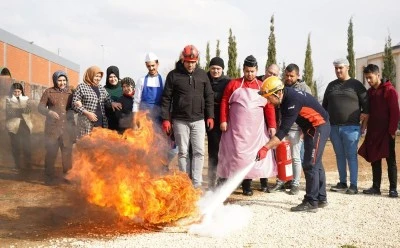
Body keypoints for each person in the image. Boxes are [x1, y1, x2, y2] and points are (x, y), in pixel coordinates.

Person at [258, 76, 330, 212]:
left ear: (278, 93)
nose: (268, 102)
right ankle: (321, 198)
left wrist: (265, 148)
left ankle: (311, 201)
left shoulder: (292, 101)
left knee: (310, 163)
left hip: (319, 126)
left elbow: (283, 131)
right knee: (316, 163)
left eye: (269, 98)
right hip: (311, 128)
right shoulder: (284, 99)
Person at [217, 55, 277, 196]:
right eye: (247, 71)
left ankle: (248, 185)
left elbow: (269, 106)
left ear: (256, 70)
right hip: (237, 130)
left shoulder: (263, 86)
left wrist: (272, 125)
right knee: (238, 156)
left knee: (253, 156)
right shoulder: (234, 84)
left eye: (252, 71)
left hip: (256, 131)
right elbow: (225, 101)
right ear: (243, 70)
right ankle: (233, 183)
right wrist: (223, 120)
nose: (250, 74)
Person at [160, 45, 214, 188]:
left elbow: (208, 96)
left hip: (199, 120)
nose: (191, 64)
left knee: (199, 152)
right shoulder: (173, 75)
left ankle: (196, 184)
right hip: (180, 120)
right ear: (183, 59)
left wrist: (210, 116)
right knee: (183, 152)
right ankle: (185, 183)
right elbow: (166, 98)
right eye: (188, 61)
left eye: (193, 61)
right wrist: (166, 119)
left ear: (197, 61)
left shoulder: (202, 75)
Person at [322, 58, 369, 195]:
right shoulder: (331, 86)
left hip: (351, 128)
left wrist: (363, 126)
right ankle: (342, 182)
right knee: (339, 155)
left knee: (351, 156)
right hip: (334, 128)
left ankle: (353, 185)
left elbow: (366, 108)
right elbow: (324, 107)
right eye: (336, 68)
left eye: (340, 68)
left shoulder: (356, 85)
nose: (338, 70)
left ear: (347, 67)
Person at [358, 64, 399, 198]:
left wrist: (392, 131)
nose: (368, 81)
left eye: (370, 77)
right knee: (375, 159)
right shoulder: (369, 93)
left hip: (387, 132)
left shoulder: (389, 90)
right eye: (366, 78)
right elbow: (367, 111)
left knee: (390, 160)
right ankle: (376, 187)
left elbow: (395, 112)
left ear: (378, 75)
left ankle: (393, 189)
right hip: (373, 131)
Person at [270, 64, 311, 195]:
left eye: (291, 76)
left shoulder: (304, 88)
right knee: (281, 156)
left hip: (296, 129)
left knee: (295, 156)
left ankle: (295, 183)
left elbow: (308, 109)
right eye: (286, 75)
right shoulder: (281, 87)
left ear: (298, 75)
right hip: (282, 128)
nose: (288, 78)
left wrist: (305, 129)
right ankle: (281, 180)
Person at [38, 71, 75, 185]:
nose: (62, 83)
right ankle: (48, 178)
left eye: (64, 80)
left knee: (67, 154)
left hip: (67, 129)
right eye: (59, 80)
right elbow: (40, 107)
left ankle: (68, 177)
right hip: (52, 128)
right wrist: (49, 112)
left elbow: (76, 106)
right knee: (51, 153)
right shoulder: (49, 91)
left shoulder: (71, 92)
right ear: (55, 80)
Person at [72, 66, 122, 138]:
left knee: (99, 146)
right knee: (87, 145)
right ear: (90, 75)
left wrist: (112, 103)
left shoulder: (101, 88)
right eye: (96, 76)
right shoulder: (81, 87)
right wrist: (87, 113)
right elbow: (74, 104)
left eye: (99, 76)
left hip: (101, 123)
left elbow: (107, 99)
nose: (98, 78)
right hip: (86, 123)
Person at [206, 57, 230, 189]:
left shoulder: (227, 82)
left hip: (220, 120)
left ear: (222, 69)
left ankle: (222, 178)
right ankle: (210, 180)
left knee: (220, 150)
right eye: (213, 68)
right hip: (203, 116)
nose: (215, 71)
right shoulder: (204, 79)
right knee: (210, 152)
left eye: (218, 69)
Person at [133, 52, 165, 128]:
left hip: (159, 119)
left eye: (153, 65)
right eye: (148, 66)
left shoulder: (164, 80)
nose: (151, 68)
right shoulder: (141, 80)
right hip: (144, 119)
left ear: (158, 64)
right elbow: (136, 102)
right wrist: (134, 122)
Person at [5, 82, 33, 170]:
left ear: (21, 91)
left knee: (27, 146)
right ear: (12, 91)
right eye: (15, 92)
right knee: (15, 147)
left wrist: (16, 110)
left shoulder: (26, 99)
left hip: (25, 125)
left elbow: (28, 110)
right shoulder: (8, 100)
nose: (17, 93)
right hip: (13, 126)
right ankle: (17, 166)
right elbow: (9, 112)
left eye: (18, 91)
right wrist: (21, 110)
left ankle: (28, 165)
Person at [104, 66, 122, 131]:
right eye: (110, 77)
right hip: (108, 123)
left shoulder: (123, 87)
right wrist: (110, 104)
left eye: (115, 76)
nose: (113, 79)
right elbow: (101, 103)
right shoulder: (103, 89)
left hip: (122, 122)